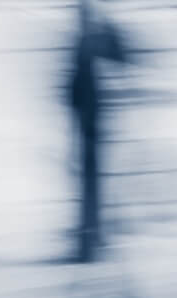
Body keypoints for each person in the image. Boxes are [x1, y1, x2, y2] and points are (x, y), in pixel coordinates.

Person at [64, 0, 133, 265]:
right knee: (90, 183)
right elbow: (73, 82)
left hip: (99, 120)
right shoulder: (84, 39)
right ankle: (92, 236)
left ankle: (92, 239)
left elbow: (122, 63)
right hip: (86, 122)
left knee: (94, 183)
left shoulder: (99, 37)